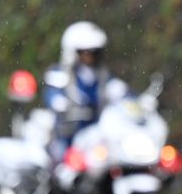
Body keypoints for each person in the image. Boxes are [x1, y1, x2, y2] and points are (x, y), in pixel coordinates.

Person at [43, 21, 128, 160]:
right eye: (85, 52)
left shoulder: (103, 76)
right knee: (60, 163)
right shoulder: (61, 75)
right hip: (69, 135)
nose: (90, 56)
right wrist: (60, 103)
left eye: (94, 52)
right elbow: (53, 94)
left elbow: (122, 92)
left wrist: (135, 102)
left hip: (98, 136)